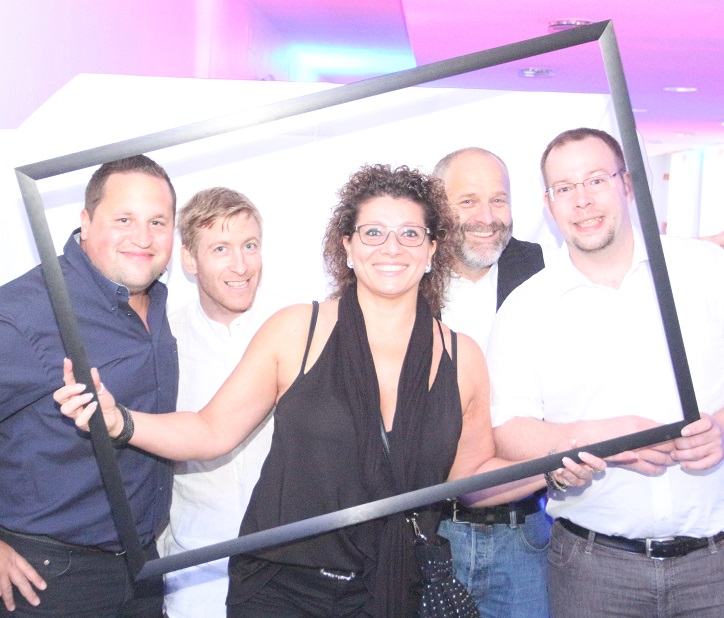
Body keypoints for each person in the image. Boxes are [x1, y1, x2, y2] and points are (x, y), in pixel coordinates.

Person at [56, 164, 603, 617]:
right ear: (347, 246)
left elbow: (470, 479)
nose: (392, 247)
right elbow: (210, 430)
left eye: (410, 234)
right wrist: (121, 422)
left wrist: (552, 468)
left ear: (432, 249)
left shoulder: (463, 358)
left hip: (397, 588)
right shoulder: (299, 330)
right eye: (373, 233)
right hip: (284, 591)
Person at [488, 128, 724, 617]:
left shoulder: (708, 270)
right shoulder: (526, 308)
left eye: (596, 180)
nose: (582, 200)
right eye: (564, 188)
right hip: (593, 572)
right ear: (549, 205)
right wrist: (597, 440)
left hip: (715, 565)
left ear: (628, 184)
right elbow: (507, 429)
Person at [0, 155, 178, 616]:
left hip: (142, 568)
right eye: (124, 219)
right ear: (86, 221)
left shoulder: (158, 301)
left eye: (157, 222)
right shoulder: (27, 312)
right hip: (50, 579)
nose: (143, 238)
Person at [432, 147, 549, 618]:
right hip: (429, 537)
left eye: (498, 200)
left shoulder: (543, 272)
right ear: (436, 207)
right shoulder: (403, 279)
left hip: (525, 536)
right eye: (468, 201)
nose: (487, 217)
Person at [159, 187, 286, 617]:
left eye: (250, 246)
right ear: (189, 260)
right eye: (220, 249)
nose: (241, 265)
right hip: (196, 571)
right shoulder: (163, 345)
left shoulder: (299, 330)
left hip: (290, 569)